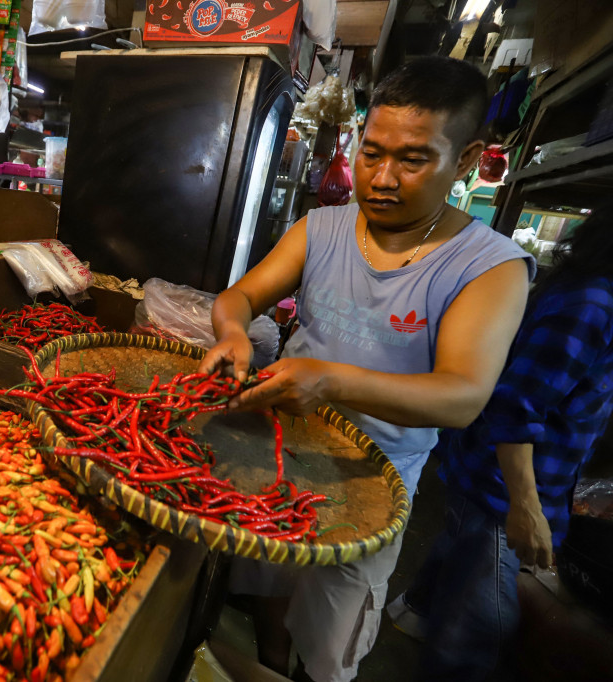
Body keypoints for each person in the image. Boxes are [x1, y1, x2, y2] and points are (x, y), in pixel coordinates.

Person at [199, 55, 535, 682]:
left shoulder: (490, 267)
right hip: (282, 446)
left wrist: (327, 380)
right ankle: (272, 660)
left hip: (374, 476)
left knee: (334, 631)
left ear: (465, 160)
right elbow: (239, 297)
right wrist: (233, 334)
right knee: (266, 577)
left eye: (412, 159)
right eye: (370, 152)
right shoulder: (322, 227)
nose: (380, 178)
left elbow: (462, 397)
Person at [386, 204, 613, 681]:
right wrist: (526, 508)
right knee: (480, 621)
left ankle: (415, 613)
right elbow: (516, 405)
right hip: (502, 485)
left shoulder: (588, 291)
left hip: (497, 476)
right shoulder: (594, 304)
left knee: (464, 554)